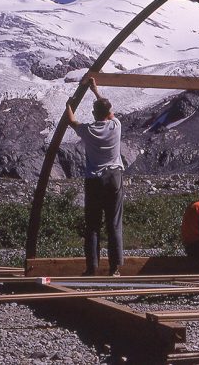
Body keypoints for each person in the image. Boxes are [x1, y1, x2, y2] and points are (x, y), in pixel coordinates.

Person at [66, 77, 124, 276]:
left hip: (94, 180)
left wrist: (69, 105)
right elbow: (109, 110)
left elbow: (72, 121)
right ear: (109, 114)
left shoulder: (89, 130)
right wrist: (95, 90)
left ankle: (92, 268)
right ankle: (115, 268)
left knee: (92, 224)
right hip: (114, 177)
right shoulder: (115, 125)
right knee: (113, 222)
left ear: (94, 114)